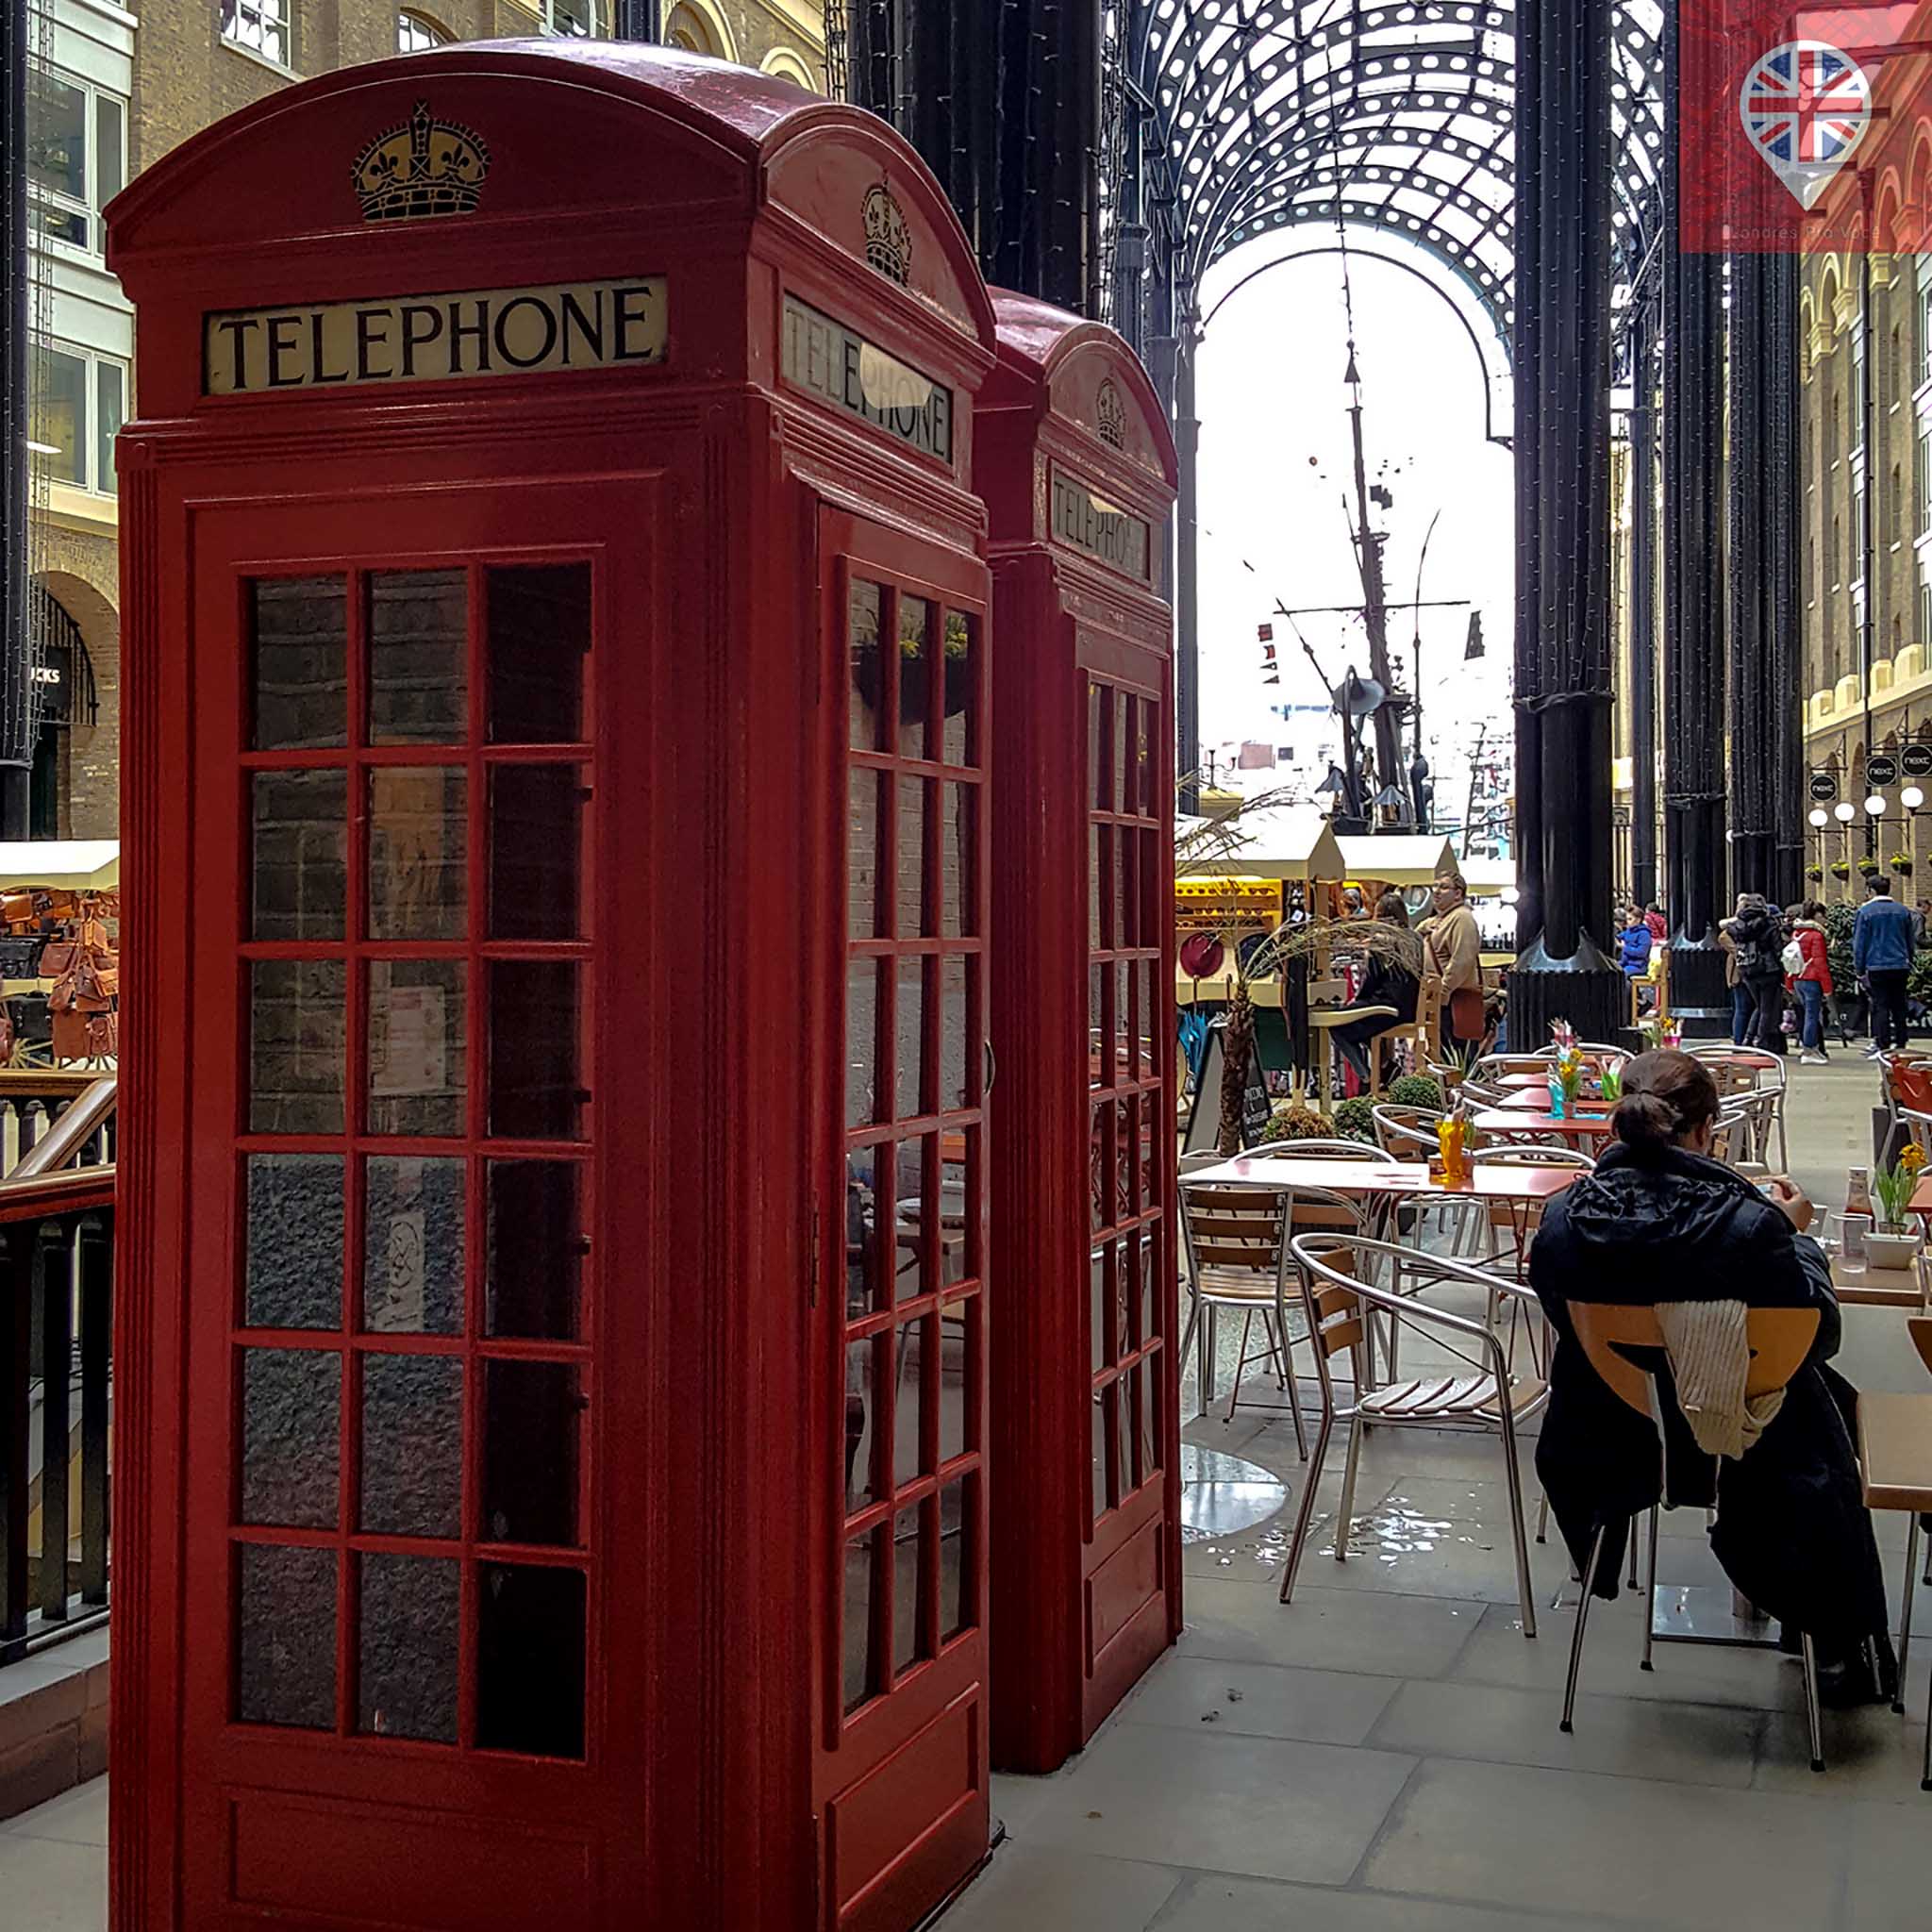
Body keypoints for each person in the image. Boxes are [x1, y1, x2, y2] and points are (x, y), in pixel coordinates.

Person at [1529, 1050, 1897, 1707]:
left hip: (1610, 1438)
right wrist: (1797, 1239)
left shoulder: (1564, 1220)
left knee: (1824, 1400)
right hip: (1755, 1450)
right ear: (1705, 1131)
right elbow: (1818, 1335)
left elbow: (1564, 1321)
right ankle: (1839, 1638)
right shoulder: (1748, 1225)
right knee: (1826, 1406)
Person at [1331, 891, 1422, 1086]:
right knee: (1361, 1025)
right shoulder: (1415, 938)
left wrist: (1356, 1001)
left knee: (1338, 1025)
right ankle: (1385, 1067)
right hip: (1410, 1007)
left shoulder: (1381, 940)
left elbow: (1372, 980)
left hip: (1387, 1007)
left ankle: (1367, 1077)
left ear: (1380, 916)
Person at [1422, 870, 1484, 1057]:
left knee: (1457, 1057)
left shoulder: (1462, 918)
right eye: (1435, 886)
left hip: (1454, 1001)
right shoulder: (1439, 920)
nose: (1436, 891)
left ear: (1457, 893)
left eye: (1443, 887)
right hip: (1440, 1001)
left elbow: (1462, 960)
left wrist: (1444, 990)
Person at [1854, 874, 1917, 1058]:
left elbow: (1859, 944)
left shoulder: (1865, 912)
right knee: (1899, 1004)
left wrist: (1859, 969)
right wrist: (1909, 959)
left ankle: (1883, 1044)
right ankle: (1901, 1042)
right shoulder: (1902, 911)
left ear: (1871, 890)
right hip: (1900, 964)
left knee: (1880, 1005)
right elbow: (1910, 940)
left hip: (1876, 965)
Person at [1728, 892, 1787, 1056]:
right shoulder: (1769, 923)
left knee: (1759, 1007)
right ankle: (1761, 1042)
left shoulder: (1739, 925)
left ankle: (1748, 1039)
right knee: (1766, 1008)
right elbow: (1777, 949)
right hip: (1768, 970)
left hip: (1747, 970)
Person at [1788, 901, 1833, 1066]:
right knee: (1812, 1015)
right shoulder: (1816, 936)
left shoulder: (1796, 934)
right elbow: (1820, 962)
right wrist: (1827, 988)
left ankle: (1809, 1048)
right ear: (1817, 915)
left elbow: (1789, 959)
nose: (1825, 920)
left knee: (1807, 1014)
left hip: (1798, 977)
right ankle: (1809, 1050)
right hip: (1812, 979)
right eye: (1823, 916)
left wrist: (1789, 982)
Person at [1715, 914, 1748, 1046]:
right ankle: (1739, 1040)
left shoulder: (1738, 926)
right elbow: (1722, 937)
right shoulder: (1735, 927)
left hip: (1742, 971)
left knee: (1741, 1008)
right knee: (1741, 1008)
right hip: (1740, 972)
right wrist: (1739, 952)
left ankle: (1740, 1039)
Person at [1615, 906, 1653, 981]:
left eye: (1630, 919)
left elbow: (1641, 953)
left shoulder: (1644, 934)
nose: (1627, 922)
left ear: (1638, 920)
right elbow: (1618, 936)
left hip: (1638, 966)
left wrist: (1623, 947)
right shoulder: (1629, 931)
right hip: (1625, 963)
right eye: (1627, 919)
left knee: (1621, 975)